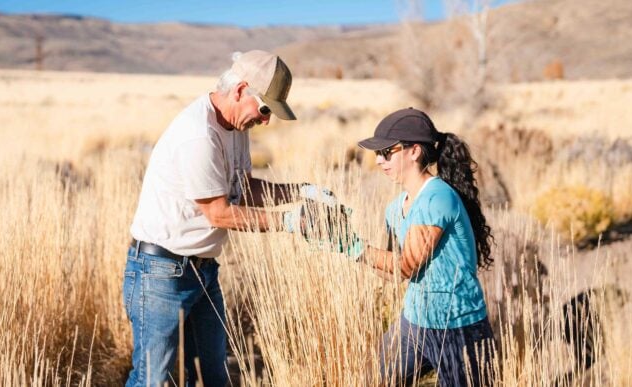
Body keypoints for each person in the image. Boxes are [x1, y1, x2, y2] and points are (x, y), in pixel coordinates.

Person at [123, 50, 324, 387]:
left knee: (212, 375)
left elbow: (241, 188)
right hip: (161, 274)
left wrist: (303, 192)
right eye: (264, 110)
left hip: (202, 271)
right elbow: (219, 213)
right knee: (153, 380)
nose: (265, 121)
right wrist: (290, 223)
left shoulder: (234, 126)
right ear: (241, 89)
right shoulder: (198, 134)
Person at [342, 108, 496, 386]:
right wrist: (342, 245)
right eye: (377, 154)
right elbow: (393, 272)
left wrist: (353, 246)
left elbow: (406, 265)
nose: (379, 161)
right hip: (414, 322)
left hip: (458, 325)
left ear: (414, 151)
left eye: (387, 152)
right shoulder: (394, 208)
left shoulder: (437, 198)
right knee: (374, 379)